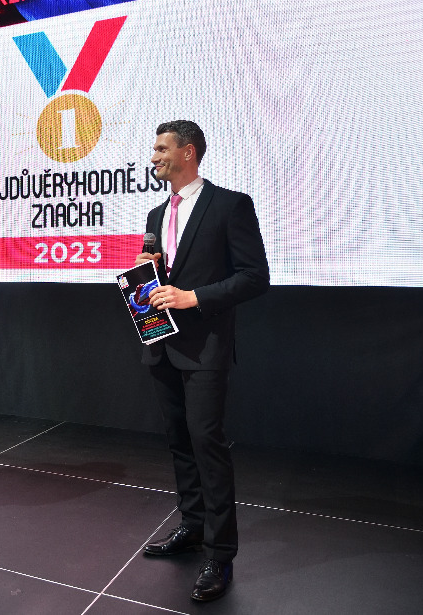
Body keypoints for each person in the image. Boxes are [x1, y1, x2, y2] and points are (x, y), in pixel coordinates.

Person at [133, 120, 269, 602]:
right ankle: (192, 527)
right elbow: (159, 271)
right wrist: (146, 277)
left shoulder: (230, 205)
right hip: (160, 342)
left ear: (188, 152)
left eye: (161, 149)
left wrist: (194, 297)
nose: (153, 157)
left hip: (206, 346)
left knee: (207, 445)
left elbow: (255, 277)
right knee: (179, 443)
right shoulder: (155, 213)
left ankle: (220, 554)